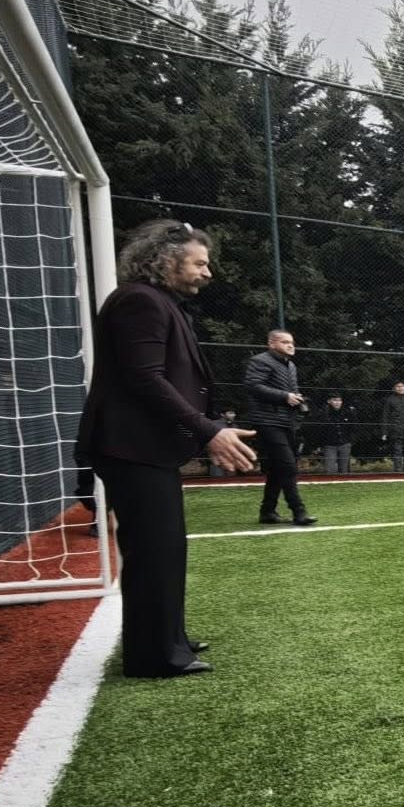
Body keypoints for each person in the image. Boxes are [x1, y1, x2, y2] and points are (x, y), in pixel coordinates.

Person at [75, 220, 255, 678]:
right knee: (153, 550)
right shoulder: (139, 301)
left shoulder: (157, 302)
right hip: (131, 447)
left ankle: (167, 639)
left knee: (165, 547)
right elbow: (145, 379)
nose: (207, 272)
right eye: (199, 263)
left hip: (143, 448)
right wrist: (208, 431)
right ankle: (153, 656)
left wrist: (204, 430)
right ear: (166, 259)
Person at [245, 329, 316, 525]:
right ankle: (298, 511)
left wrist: (296, 398)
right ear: (272, 344)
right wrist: (285, 396)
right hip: (267, 421)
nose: (290, 345)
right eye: (285, 342)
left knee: (278, 468)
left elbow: (289, 391)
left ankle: (267, 511)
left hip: (286, 422)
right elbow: (253, 386)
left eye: (291, 342)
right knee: (287, 466)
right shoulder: (260, 361)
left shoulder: (291, 365)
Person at [317, 392, 356, 475]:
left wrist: (350, 441)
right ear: (329, 401)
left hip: (344, 444)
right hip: (330, 445)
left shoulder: (347, 412)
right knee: (329, 470)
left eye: (339, 400)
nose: (337, 402)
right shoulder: (324, 413)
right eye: (335, 400)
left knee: (344, 470)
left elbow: (353, 428)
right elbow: (320, 429)